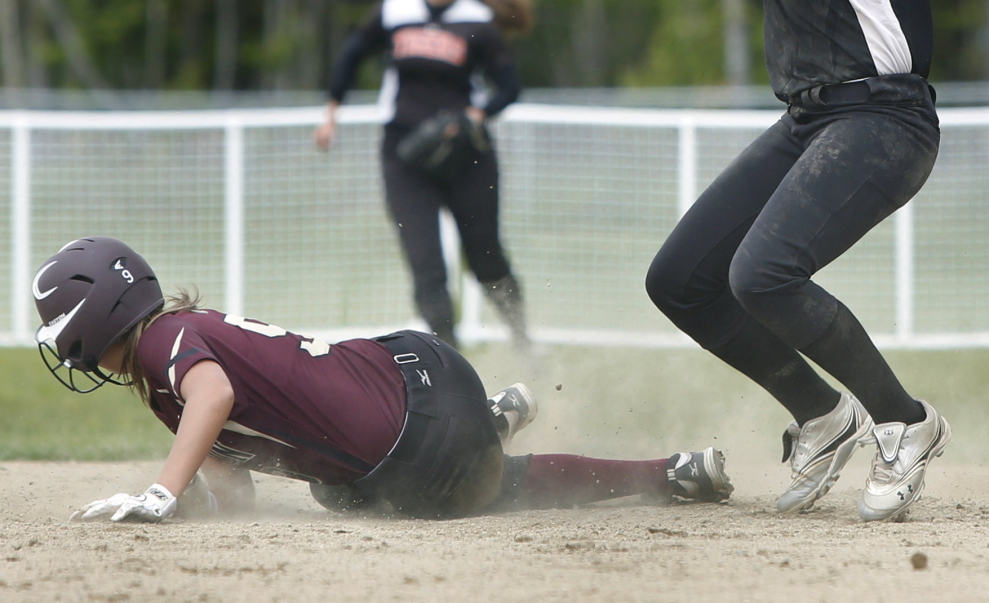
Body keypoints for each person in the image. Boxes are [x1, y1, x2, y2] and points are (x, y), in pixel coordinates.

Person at [631, 0, 949, 522]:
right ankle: (820, 413)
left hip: (883, 117)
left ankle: (903, 421)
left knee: (762, 273)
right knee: (681, 280)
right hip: (815, 114)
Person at [33, 236, 732, 522]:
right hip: (422, 377)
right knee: (364, 483)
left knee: (352, 489)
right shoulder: (179, 344)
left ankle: (649, 470)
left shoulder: (162, 346)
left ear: (91, 325)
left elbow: (212, 398)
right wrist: (197, 511)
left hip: (418, 443)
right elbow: (229, 471)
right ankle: (664, 469)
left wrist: (160, 492)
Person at [315, 0, 533, 352]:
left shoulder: (478, 21)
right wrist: (331, 113)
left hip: (465, 153)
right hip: (404, 154)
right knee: (427, 267)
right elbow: (351, 54)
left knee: (486, 258)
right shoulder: (395, 10)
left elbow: (509, 87)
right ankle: (452, 365)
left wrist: (478, 112)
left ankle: (525, 341)